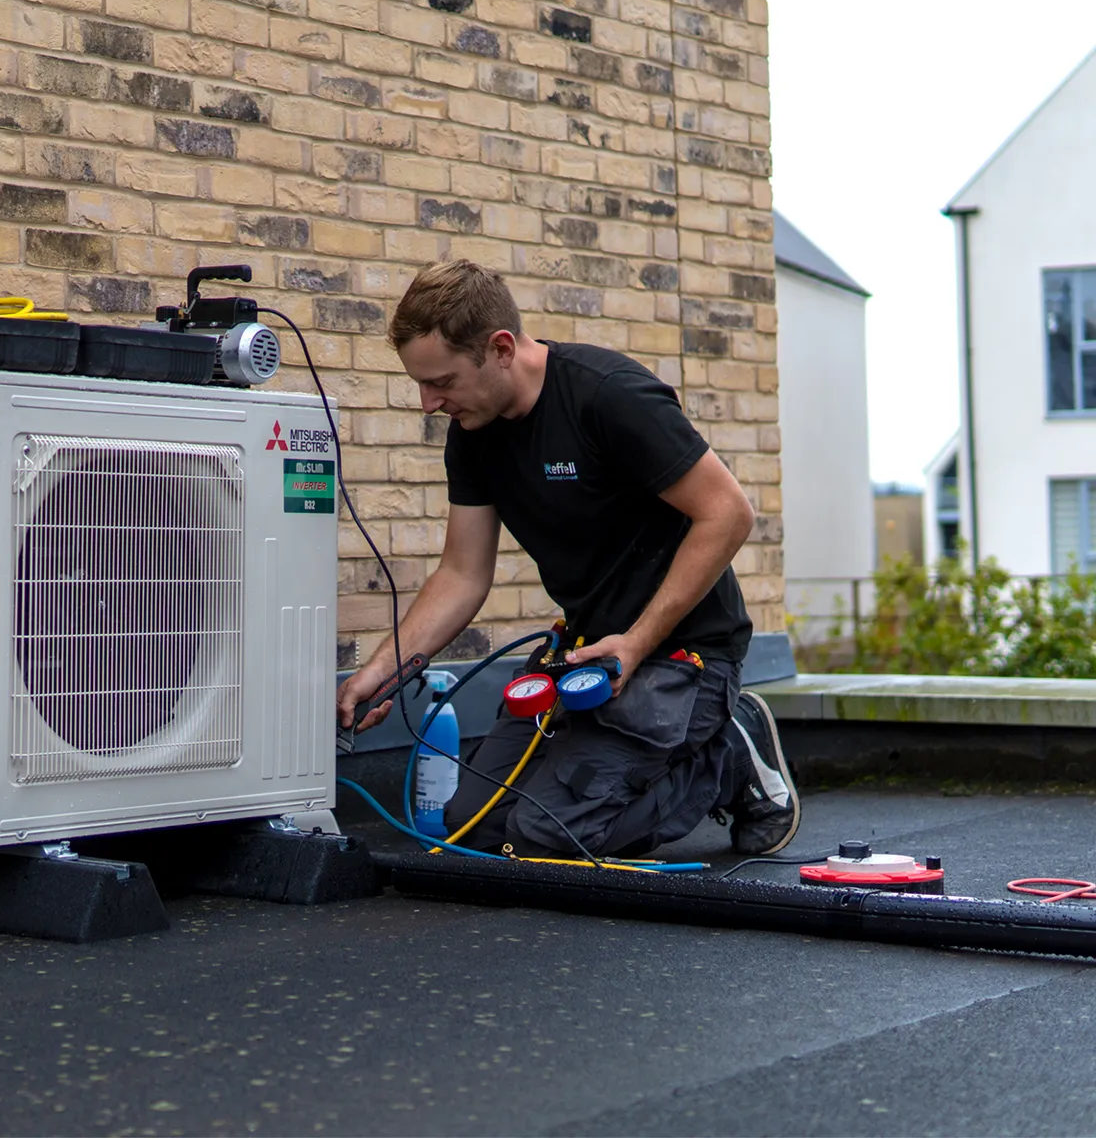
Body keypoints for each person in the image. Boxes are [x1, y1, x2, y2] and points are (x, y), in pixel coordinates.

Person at [335, 260, 799, 859]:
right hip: (582, 655)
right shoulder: (474, 430)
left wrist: (634, 641)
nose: (429, 403)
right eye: (422, 384)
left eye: (442, 381)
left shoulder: (608, 396)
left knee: (548, 838)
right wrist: (381, 671)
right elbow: (462, 573)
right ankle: (631, 759)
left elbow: (728, 513)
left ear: (501, 348)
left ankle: (730, 755)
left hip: (684, 655)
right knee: (471, 829)